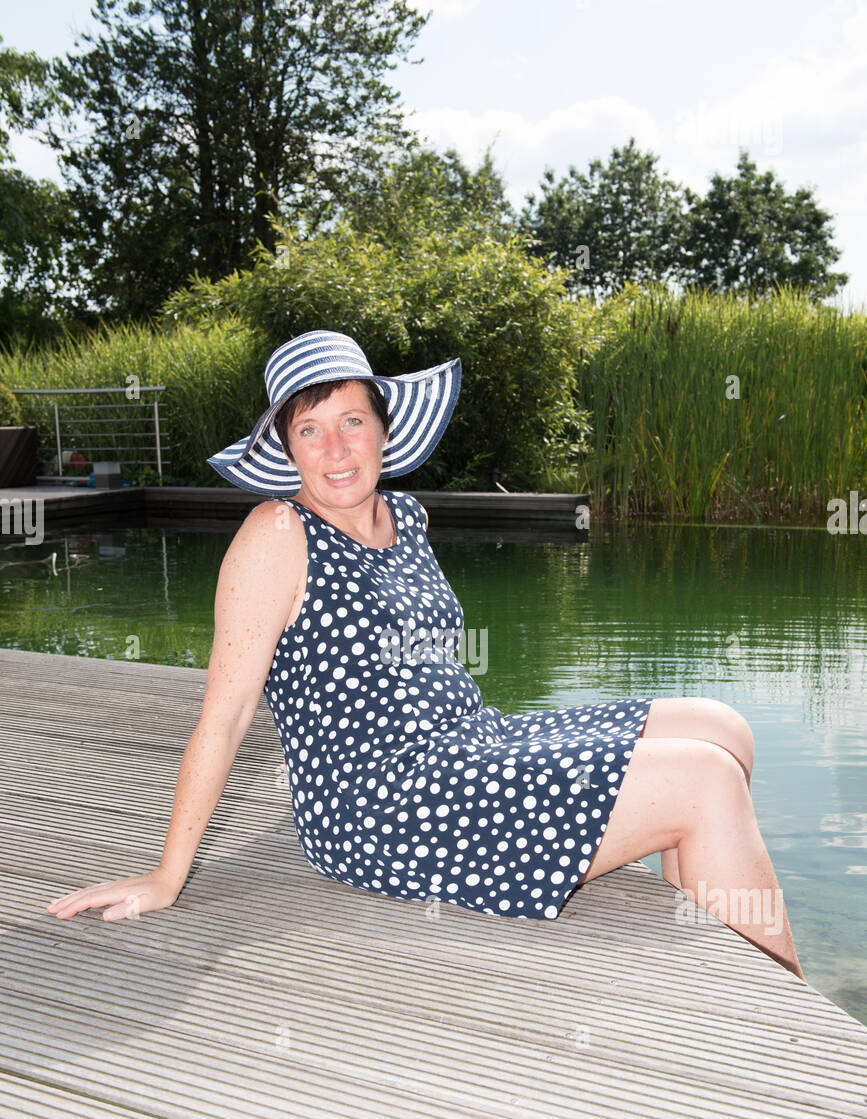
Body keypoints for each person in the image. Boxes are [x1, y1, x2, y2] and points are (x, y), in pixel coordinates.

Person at [45, 330, 806, 982]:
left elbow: (425, 668)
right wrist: (167, 876)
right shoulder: (275, 536)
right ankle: (788, 1020)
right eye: (309, 430)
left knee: (722, 728)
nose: (336, 449)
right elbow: (225, 715)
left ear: (383, 428)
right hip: (383, 802)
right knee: (703, 781)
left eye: (351, 421)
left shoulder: (407, 514)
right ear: (286, 448)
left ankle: (713, 952)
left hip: (470, 742)